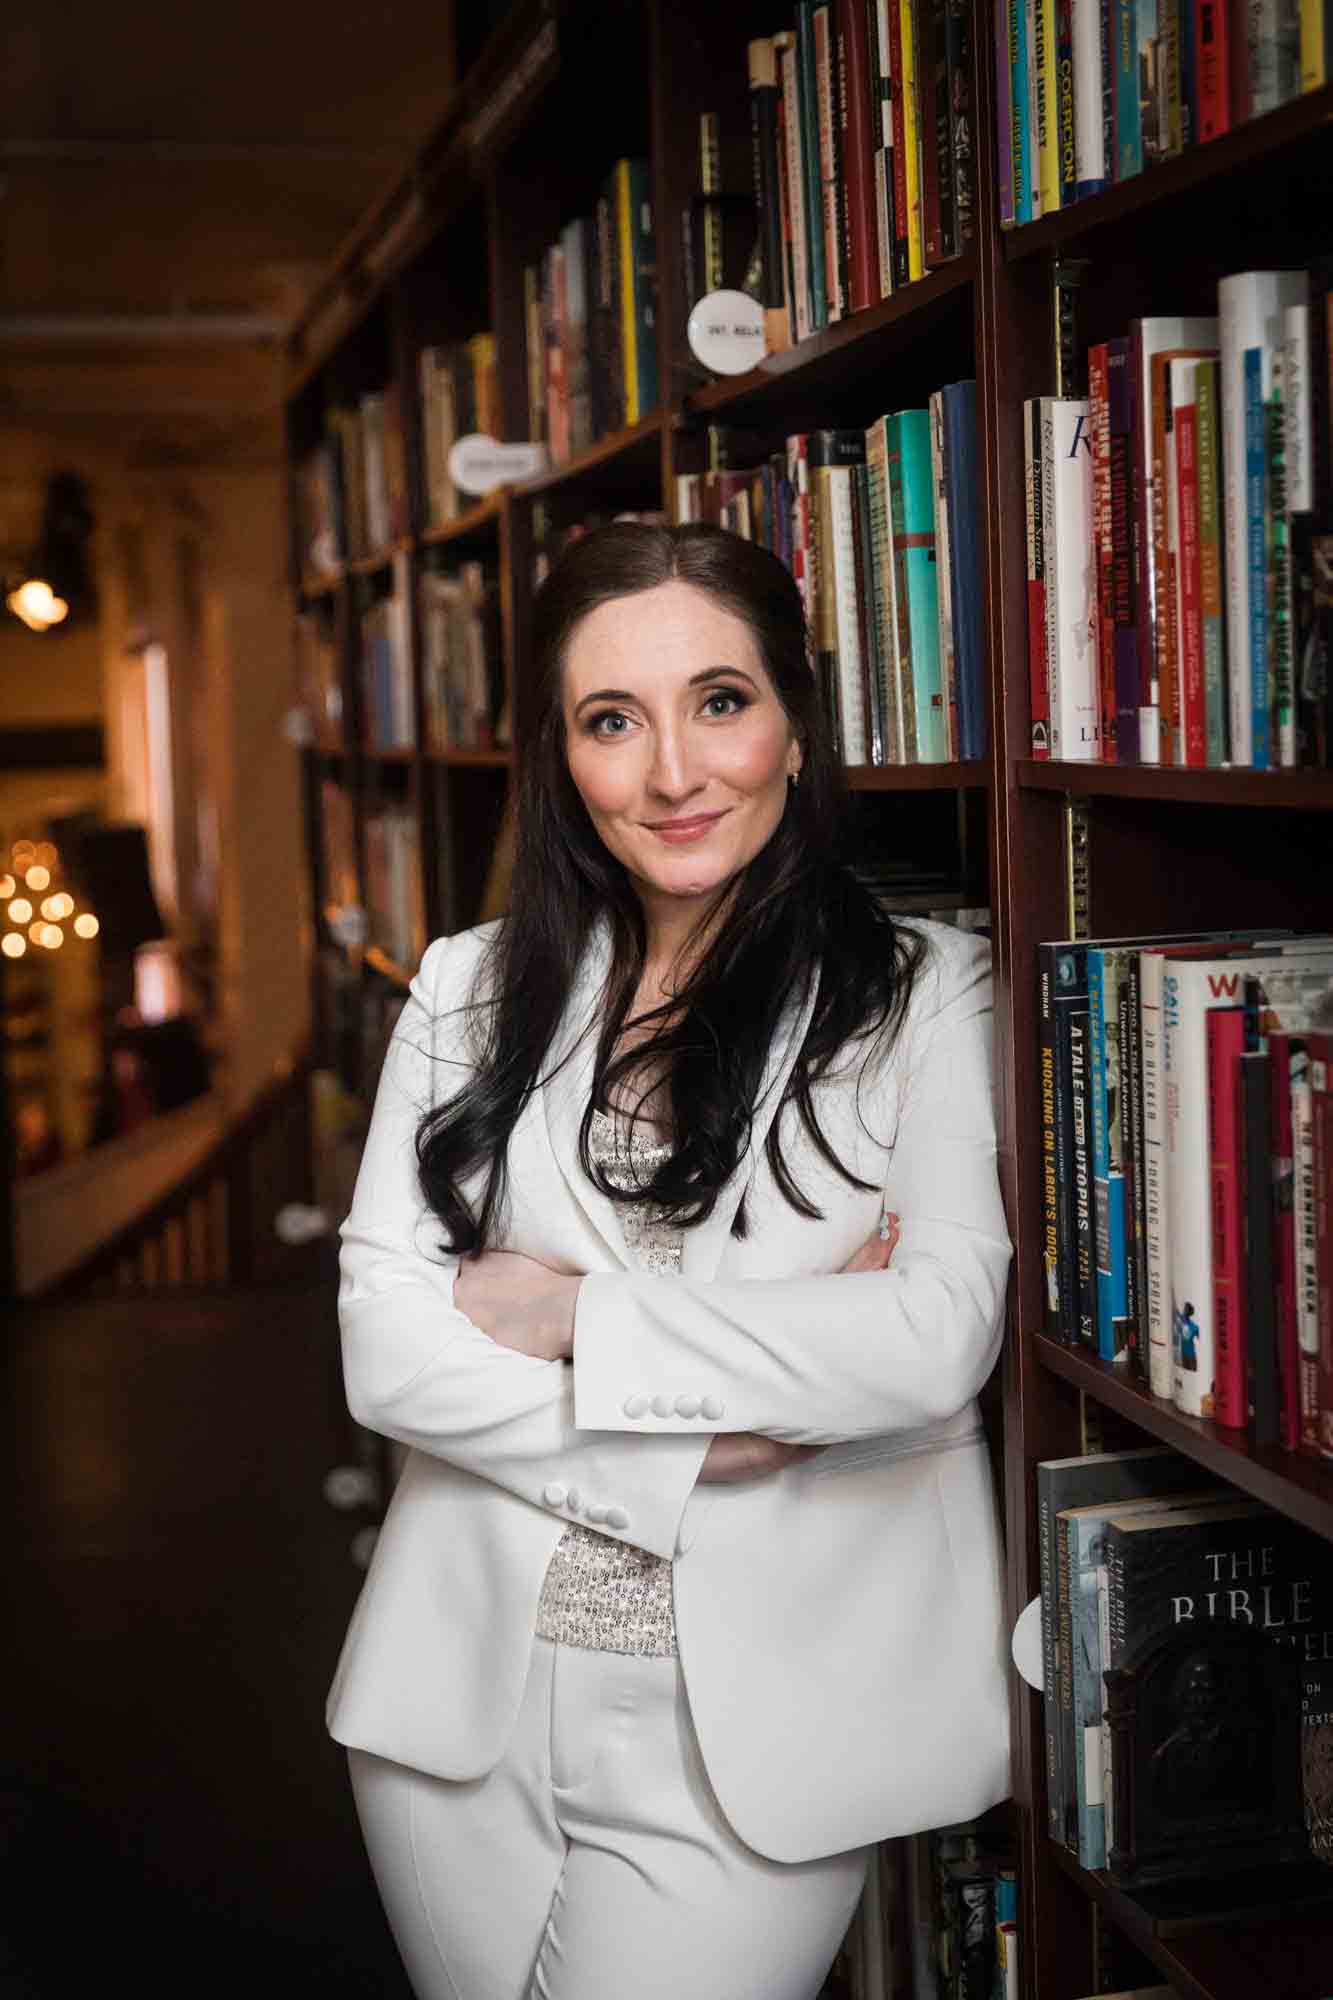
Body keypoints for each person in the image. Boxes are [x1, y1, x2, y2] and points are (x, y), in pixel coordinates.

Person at [327, 522, 1013, 2000]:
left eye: (719, 701)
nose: (673, 775)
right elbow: (385, 1349)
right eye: (610, 721)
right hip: (461, 1705)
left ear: (793, 719)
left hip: (770, 1721)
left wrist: (563, 1310)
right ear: (559, 755)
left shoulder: (927, 996)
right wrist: (702, 1438)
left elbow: (930, 1340)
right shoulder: (464, 985)